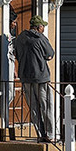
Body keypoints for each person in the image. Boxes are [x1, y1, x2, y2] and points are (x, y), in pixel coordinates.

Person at [13, 14, 55, 142]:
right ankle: (50, 134)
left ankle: (40, 134)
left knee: (34, 108)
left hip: (25, 77)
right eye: (43, 27)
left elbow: (15, 53)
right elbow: (50, 54)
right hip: (41, 77)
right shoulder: (40, 38)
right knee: (46, 105)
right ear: (39, 27)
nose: (43, 29)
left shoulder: (20, 38)